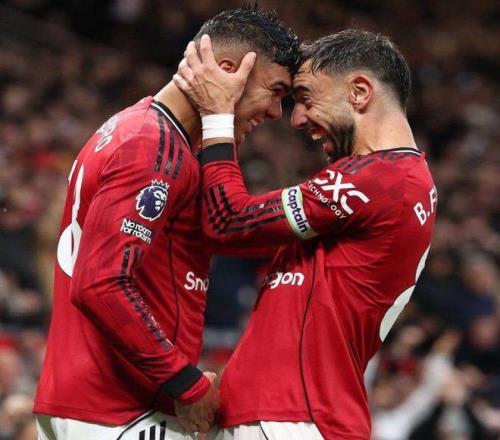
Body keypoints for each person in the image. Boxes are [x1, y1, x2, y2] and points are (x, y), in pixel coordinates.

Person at [33, 6, 300, 439]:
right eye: (275, 91)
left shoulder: (136, 127)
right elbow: (100, 283)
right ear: (226, 70)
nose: (275, 112)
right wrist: (186, 383)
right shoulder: (152, 145)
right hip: (118, 410)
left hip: (90, 402)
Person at [173, 29, 438, 439]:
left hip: (295, 417)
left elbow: (228, 221)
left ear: (360, 92)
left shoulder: (382, 180)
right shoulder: (395, 178)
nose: (296, 119)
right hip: (291, 413)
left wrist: (218, 116)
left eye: (307, 98)